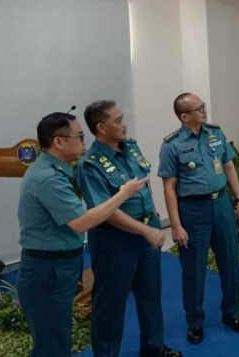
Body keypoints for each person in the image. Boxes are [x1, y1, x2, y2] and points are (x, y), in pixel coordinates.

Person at [17, 111, 146, 357]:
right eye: (79, 136)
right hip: (47, 271)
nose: (84, 141)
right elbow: (82, 222)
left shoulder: (57, 169)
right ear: (58, 142)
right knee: (52, 344)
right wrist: (123, 193)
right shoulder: (48, 179)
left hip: (59, 266)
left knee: (57, 336)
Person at [75, 100, 181, 357]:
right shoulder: (90, 165)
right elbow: (106, 213)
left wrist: (153, 215)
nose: (124, 124)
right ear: (101, 127)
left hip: (146, 234)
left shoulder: (131, 146)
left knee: (150, 295)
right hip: (115, 243)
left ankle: (153, 347)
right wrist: (145, 231)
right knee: (110, 304)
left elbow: (143, 183)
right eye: (118, 120)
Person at [158, 93, 239, 345]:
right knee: (194, 270)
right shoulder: (172, 145)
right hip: (192, 211)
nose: (205, 111)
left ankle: (232, 314)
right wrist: (175, 225)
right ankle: (195, 322)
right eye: (199, 108)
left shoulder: (215, 134)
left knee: (230, 263)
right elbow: (168, 187)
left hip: (220, 205)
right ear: (184, 116)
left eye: (203, 107)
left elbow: (228, 166)